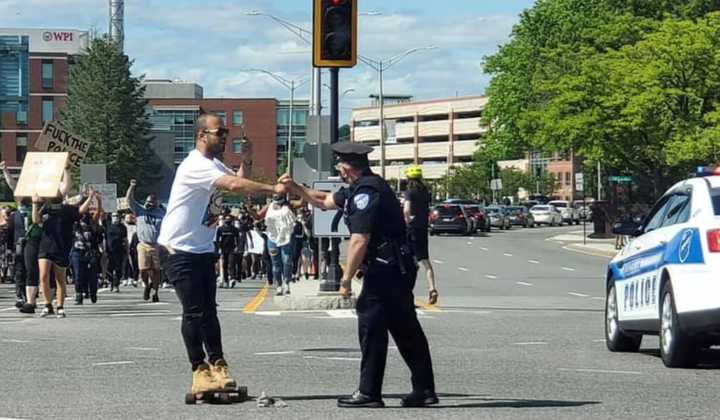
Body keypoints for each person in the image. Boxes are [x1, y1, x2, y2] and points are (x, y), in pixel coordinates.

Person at [287, 143, 437, 408]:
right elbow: (323, 200)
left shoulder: (367, 192)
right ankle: (424, 390)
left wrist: (346, 280)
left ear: (346, 167)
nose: (338, 171)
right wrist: (296, 188)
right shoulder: (363, 186)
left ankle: (369, 393)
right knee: (405, 328)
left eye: (339, 166)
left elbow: (360, 239)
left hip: (386, 269)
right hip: (396, 267)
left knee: (372, 326)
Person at [157, 113, 287, 395]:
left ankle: (218, 364)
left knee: (209, 311)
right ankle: (199, 370)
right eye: (220, 132)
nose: (225, 137)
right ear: (202, 135)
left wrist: (248, 159)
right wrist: (272, 189)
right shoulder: (195, 165)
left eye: (226, 132)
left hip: (202, 247)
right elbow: (233, 186)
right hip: (177, 247)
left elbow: (237, 180)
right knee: (193, 311)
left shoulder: (213, 164)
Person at [34, 188, 97, 318]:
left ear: (62, 196)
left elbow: (80, 211)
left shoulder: (67, 209)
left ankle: (60, 306)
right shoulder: (45, 209)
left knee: (60, 278)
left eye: (58, 192)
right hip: (45, 247)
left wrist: (90, 198)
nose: (55, 193)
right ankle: (47, 304)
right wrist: (35, 204)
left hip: (62, 247)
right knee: (43, 276)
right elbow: (36, 220)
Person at [403, 166, 439, 305]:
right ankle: (432, 288)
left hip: (411, 229)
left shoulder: (409, 192)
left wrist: (407, 219)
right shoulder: (425, 192)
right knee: (425, 261)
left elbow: (406, 209)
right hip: (422, 229)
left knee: (407, 262)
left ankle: (407, 293)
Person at [125, 182, 165, 302]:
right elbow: (129, 199)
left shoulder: (161, 212)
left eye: (151, 204)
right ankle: (147, 285)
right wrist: (132, 187)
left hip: (156, 244)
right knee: (143, 269)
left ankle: (155, 292)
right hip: (143, 244)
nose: (149, 205)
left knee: (156, 270)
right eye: (147, 203)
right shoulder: (139, 210)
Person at [264, 195, 296, 296]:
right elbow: (257, 216)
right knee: (275, 263)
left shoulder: (289, 205)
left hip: (285, 237)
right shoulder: (268, 206)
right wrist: (249, 208)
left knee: (287, 260)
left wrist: (301, 190)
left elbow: (301, 203)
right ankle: (278, 285)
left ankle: (286, 283)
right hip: (272, 238)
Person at [105, 213, 128, 292]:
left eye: (117, 216)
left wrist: (127, 250)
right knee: (109, 268)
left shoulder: (123, 227)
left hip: (119, 250)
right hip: (109, 250)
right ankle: (111, 281)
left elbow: (125, 239)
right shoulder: (108, 225)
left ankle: (116, 284)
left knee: (118, 268)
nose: (116, 218)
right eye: (114, 216)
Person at [215, 215, 239, 288]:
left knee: (231, 264)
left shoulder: (234, 229)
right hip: (223, 249)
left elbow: (237, 238)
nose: (227, 221)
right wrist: (218, 248)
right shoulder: (220, 229)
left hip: (232, 248)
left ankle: (232, 278)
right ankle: (226, 280)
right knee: (224, 265)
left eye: (229, 219)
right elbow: (217, 239)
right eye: (226, 219)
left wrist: (237, 247)